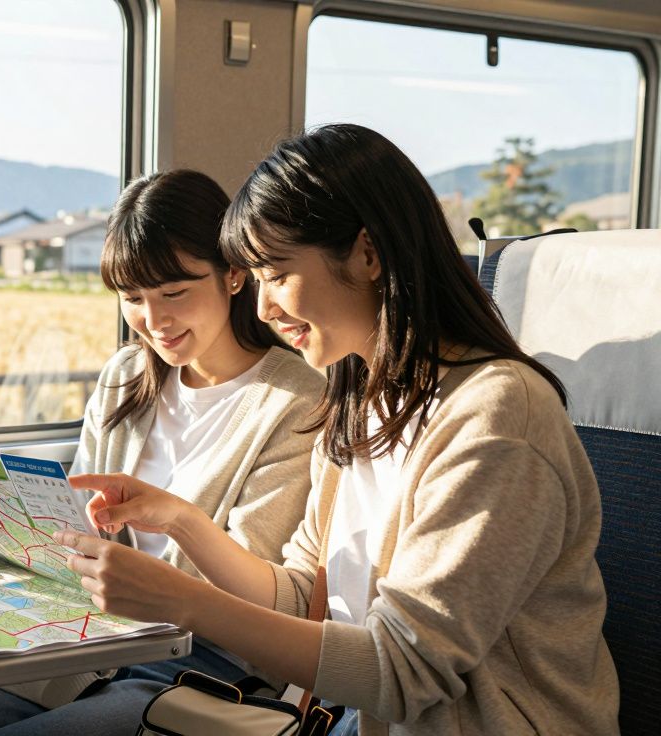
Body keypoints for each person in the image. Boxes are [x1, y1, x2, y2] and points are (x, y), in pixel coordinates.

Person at [58, 124, 619, 735]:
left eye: (276, 275)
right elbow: (306, 596)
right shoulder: (360, 398)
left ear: (367, 254)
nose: (265, 308)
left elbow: (404, 671)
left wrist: (183, 602)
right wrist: (181, 521)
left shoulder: (496, 417)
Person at [0, 169, 324, 736]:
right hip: (97, 639)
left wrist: (169, 536)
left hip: (207, 662)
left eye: (174, 293)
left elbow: (262, 596)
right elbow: (74, 525)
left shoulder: (295, 401)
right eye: (133, 298)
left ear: (234, 275)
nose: (155, 321)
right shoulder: (127, 376)